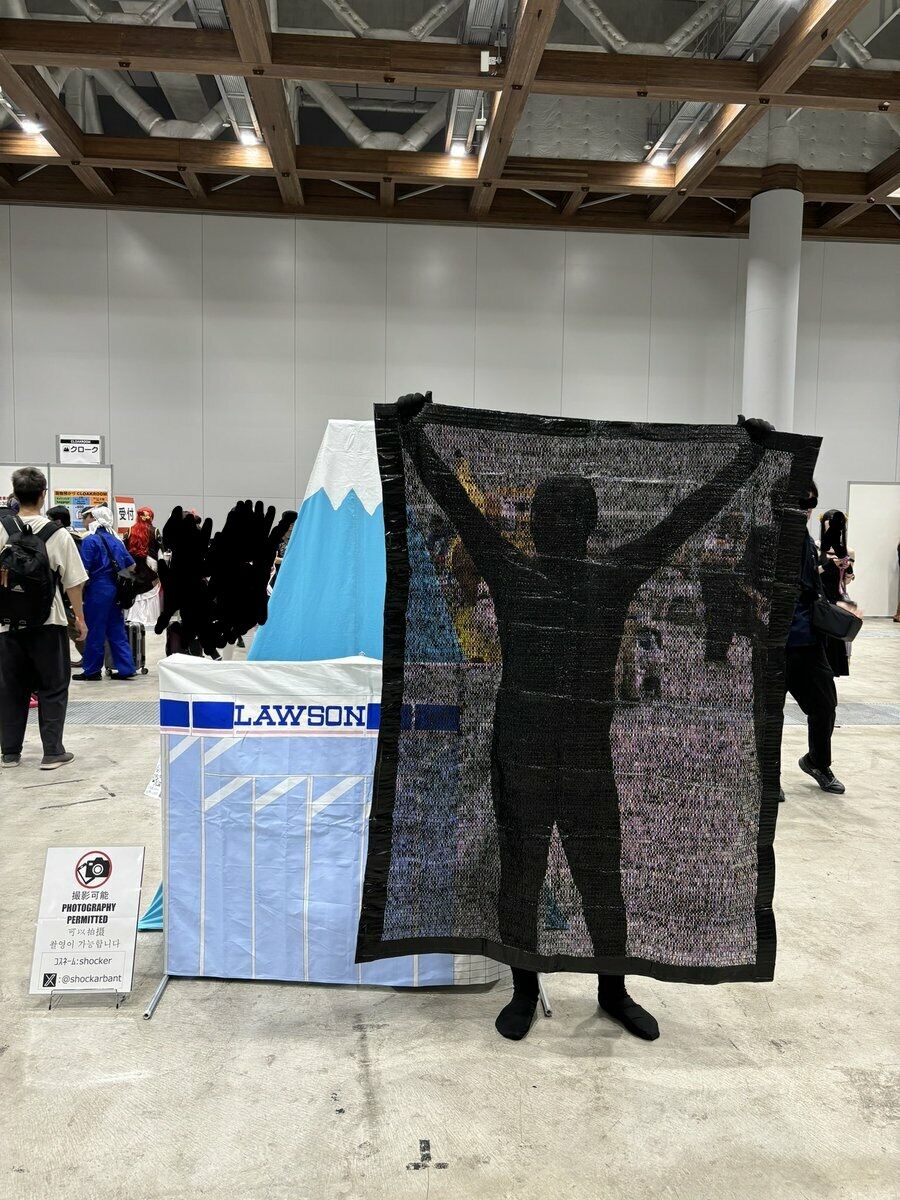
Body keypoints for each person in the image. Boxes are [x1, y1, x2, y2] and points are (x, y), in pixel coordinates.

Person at [398, 393, 775, 1042]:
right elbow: (684, 517)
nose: (558, 525)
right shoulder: (545, 574)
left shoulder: (576, 575)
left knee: (580, 878)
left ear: (561, 524)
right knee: (531, 875)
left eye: (562, 515)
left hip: (571, 756)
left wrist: (414, 435)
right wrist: (746, 459)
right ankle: (539, 990)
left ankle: (606, 990)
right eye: (555, 515)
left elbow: (456, 502)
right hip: (531, 753)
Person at [0, 467, 88, 769]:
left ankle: (10, 752)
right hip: (48, 623)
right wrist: (80, 619)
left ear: (14, 495)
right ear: (43, 494)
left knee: (10, 688)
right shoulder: (57, 533)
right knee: (53, 686)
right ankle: (52, 752)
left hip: (7, 625)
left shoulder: (2, 529)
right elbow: (74, 582)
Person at [784, 484, 847, 796]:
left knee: (825, 705)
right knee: (769, 714)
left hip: (809, 640)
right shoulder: (765, 537)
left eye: (811, 506)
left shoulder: (807, 540)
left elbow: (811, 584)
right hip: (776, 644)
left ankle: (817, 762)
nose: (807, 511)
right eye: (803, 504)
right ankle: (767, 775)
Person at [75, 505, 136, 682]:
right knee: (116, 630)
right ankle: (126, 668)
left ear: (94, 519)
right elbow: (132, 566)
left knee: (95, 630)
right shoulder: (116, 540)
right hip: (116, 590)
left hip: (98, 590)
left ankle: (92, 670)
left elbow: (84, 571)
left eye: (86, 517)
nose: (84, 521)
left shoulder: (90, 540)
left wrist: (77, 594)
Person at [46, 505, 88, 663]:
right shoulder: (74, 537)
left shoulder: (65, 538)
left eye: (49, 519)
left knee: (75, 627)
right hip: (69, 591)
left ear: (57, 521)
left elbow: (74, 573)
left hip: (67, 592)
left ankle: (89, 658)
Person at [818, 509, 855, 677]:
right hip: (819, 598)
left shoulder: (848, 551)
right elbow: (810, 573)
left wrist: (849, 571)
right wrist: (828, 565)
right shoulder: (816, 547)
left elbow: (846, 582)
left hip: (836, 599)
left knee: (835, 642)